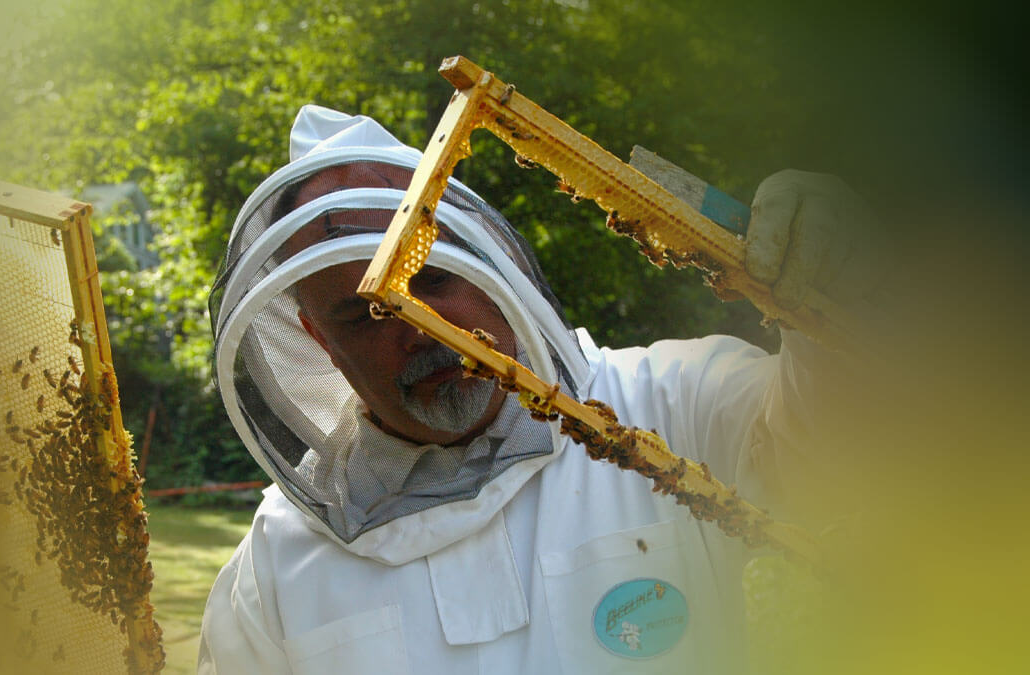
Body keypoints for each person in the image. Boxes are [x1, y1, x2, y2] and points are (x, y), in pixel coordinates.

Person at [199, 104, 868, 674]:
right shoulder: (272, 572)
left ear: (487, 262)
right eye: (367, 312)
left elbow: (857, 445)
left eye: (431, 280)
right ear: (321, 341)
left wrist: (838, 301)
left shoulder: (669, 401)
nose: (419, 328)